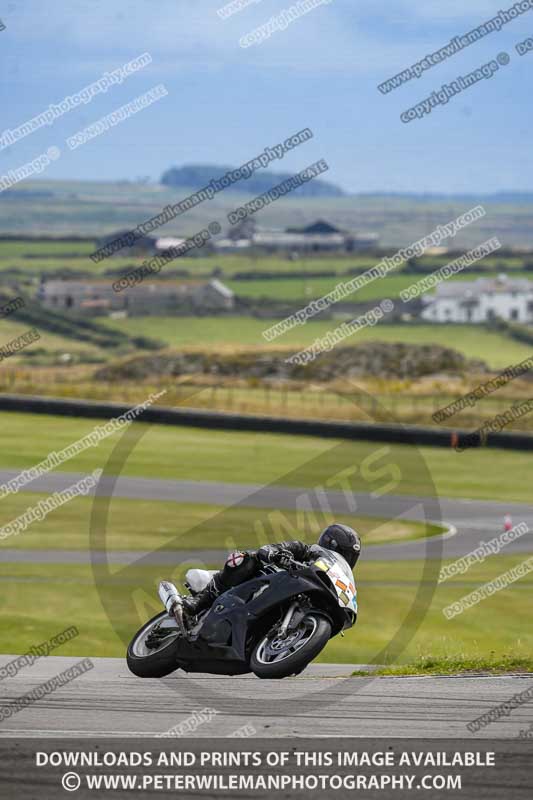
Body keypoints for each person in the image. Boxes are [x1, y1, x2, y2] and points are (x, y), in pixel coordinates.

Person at [182, 523, 361, 620]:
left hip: (283, 597)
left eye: (349, 556)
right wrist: (275, 553)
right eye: (344, 553)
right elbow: (272, 548)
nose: (346, 558)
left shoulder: (332, 574)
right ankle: (200, 600)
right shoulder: (304, 549)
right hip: (264, 581)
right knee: (244, 559)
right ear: (330, 544)